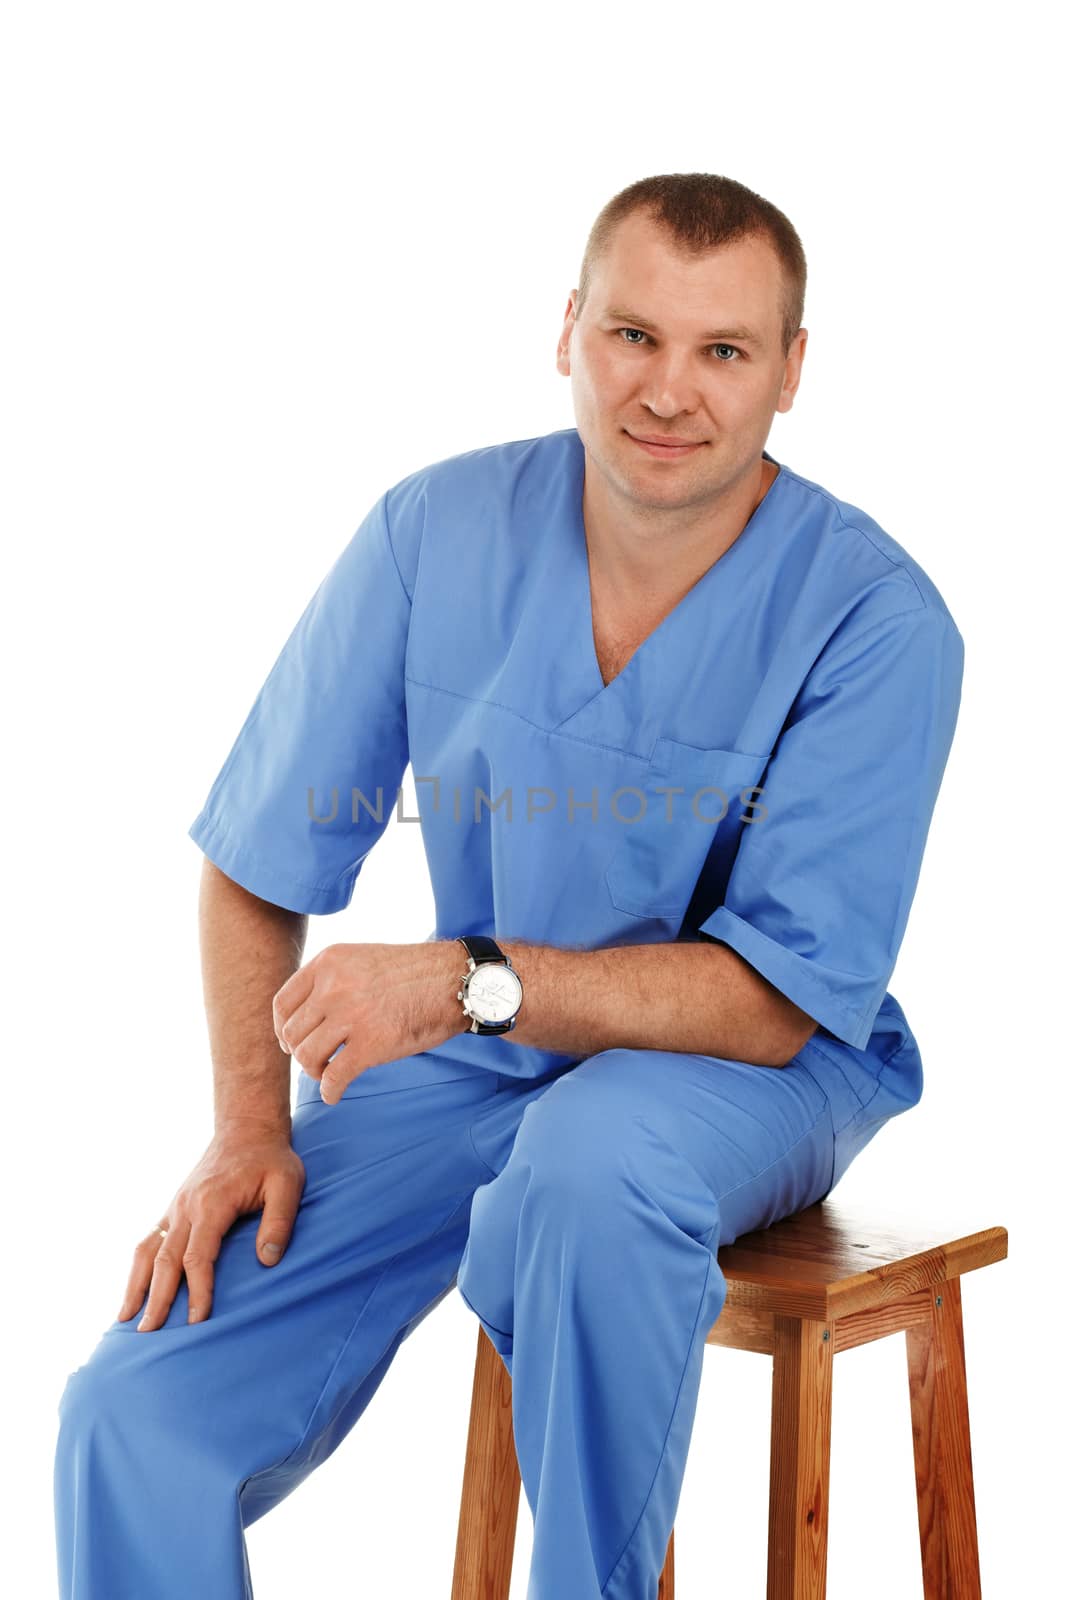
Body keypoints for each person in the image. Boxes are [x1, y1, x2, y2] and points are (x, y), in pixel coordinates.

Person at [53, 172, 965, 1599]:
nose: (668, 391)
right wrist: (248, 1126)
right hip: (482, 1059)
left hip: (750, 1065)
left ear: (792, 372)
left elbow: (776, 997)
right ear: (567, 332)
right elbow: (253, 862)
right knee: (131, 1415)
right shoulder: (437, 535)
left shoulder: (875, 621)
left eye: (724, 351)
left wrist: (467, 978)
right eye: (632, 336)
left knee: (587, 1171)